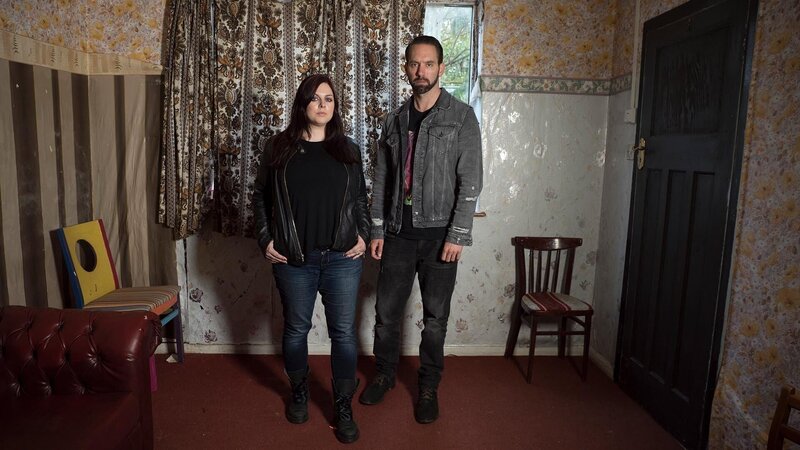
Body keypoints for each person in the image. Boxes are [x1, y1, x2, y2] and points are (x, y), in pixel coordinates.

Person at [359, 35, 482, 424]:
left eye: (429, 64)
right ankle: (384, 375)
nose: (421, 71)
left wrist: (458, 235)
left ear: (441, 68)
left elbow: (471, 181)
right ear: (406, 68)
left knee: (434, 320)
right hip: (397, 234)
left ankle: (428, 386)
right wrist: (377, 229)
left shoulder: (461, 116)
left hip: (440, 239)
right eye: (414, 64)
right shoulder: (394, 119)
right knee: (385, 315)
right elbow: (380, 179)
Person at [252, 74, 369, 444]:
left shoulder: (349, 150)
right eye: (315, 98)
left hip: (342, 259)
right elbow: (260, 198)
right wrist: (264, 238)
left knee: (344, 335)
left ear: (335, 107)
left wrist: (365, 234)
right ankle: (300, 393)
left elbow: (361, 200)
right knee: (296, 330)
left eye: (329, 99)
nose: (322, 105)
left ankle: (342, 404)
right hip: (294, 261)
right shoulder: (277, 150)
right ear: (302, 104)